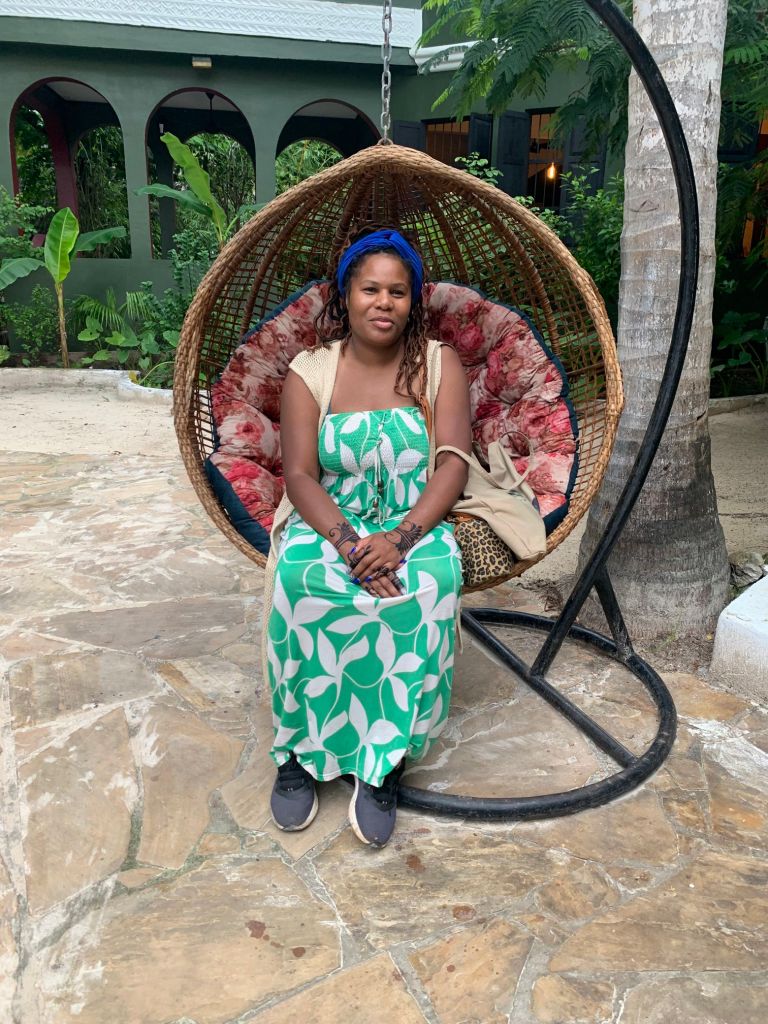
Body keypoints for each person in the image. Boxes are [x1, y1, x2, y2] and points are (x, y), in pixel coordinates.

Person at [264, 226, 471, 848]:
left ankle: (382, 763)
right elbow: (300, 474)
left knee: (429, 581)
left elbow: (453, 462)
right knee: (302, 580)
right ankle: (298, 753)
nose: (384, 302)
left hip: (416, 515)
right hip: (332, 517)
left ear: (413, 301)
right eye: (370, 289)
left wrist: (401, 540)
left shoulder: (439, 364)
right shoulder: (312, 371)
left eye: (398, 292)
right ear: (346, 295)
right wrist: (351, 545)